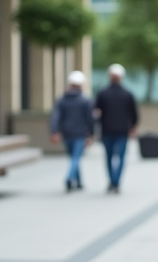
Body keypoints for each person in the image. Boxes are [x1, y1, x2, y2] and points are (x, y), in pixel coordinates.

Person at [93, 63, 139, 194]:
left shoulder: (102, 93)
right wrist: (133, 126)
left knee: (108, 157)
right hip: (122, 131)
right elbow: (134, 113)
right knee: (121, 157)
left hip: (107, 130)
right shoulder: (127, 94)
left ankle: (112, 181)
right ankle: (116, 181)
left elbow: (96, 112)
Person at [50, 71, 94, 191]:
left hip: (67, 133)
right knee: (76, 157)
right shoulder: (85, 100)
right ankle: (70, 177)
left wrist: (55, 131)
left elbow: (55, 116)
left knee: (74, 157)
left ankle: (78, 182)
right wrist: (91, 134)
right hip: (80, 133)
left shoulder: (62, 99)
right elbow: (90, 119)